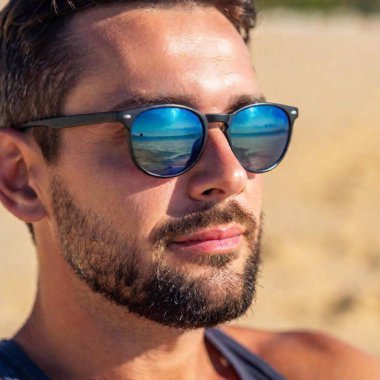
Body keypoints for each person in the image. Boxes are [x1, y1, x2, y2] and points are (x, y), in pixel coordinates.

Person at [0, 0, 378, 379]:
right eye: (163, 132)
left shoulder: (327, 369)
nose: (231, 175)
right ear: (20, 180)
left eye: (248, 125)